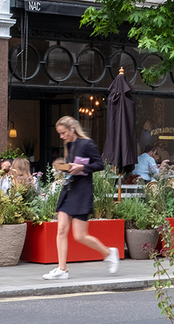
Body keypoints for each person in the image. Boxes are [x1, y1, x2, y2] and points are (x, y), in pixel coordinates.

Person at [42, 116, 119, 279]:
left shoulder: (87, 144)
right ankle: (62, 269)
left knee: (79, 236)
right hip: (68, 190)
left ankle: (109, 252)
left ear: (72, 129)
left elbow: (100, 164)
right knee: (61, 229)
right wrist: (64, 167)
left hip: (82, 192)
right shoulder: (69, 145)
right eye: (60, 134)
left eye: (63, 133)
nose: (61, 137)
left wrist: (82, 167)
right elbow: (72, 168)